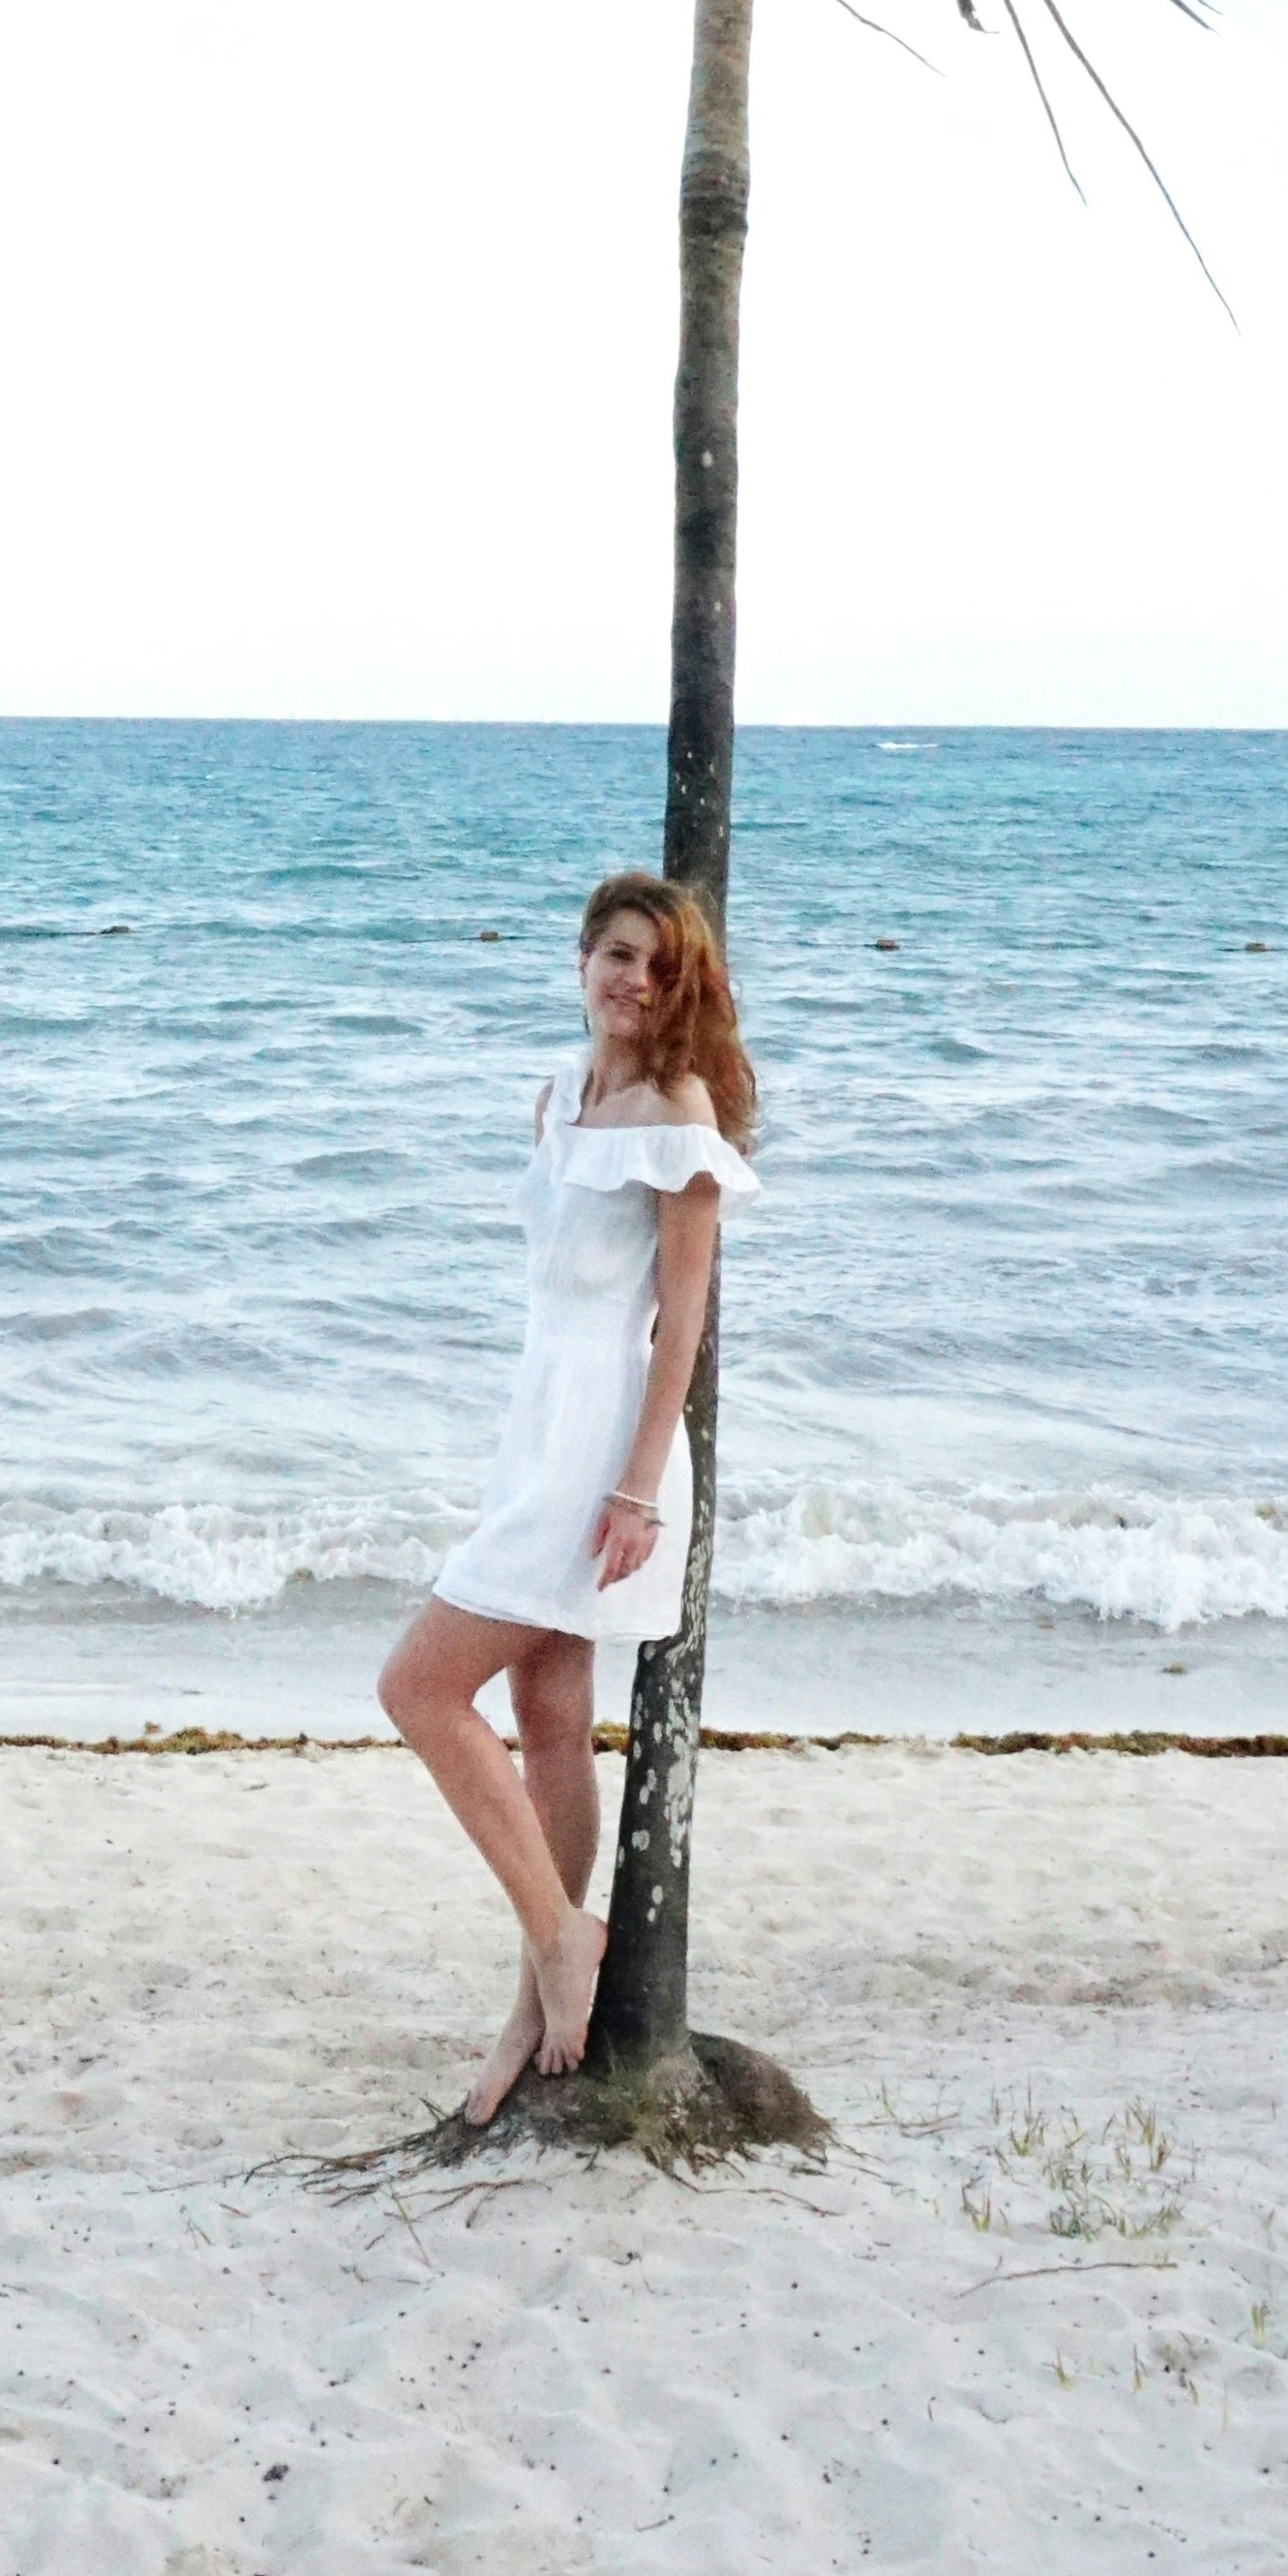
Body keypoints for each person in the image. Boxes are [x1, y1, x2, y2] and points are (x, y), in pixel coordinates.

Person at [381, 870, 759, 2124]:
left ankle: (559, 1934)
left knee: (418, 1686)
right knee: (547, 1706)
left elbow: (681, 1324)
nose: (631, 981)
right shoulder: (557, 1094)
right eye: (614, 955)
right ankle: (537, 2000)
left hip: (603, 1441)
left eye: (657, 965)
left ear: (680, 983)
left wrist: (638, 1485)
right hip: (534, 1418)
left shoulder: (678, 1112)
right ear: (581, 958)